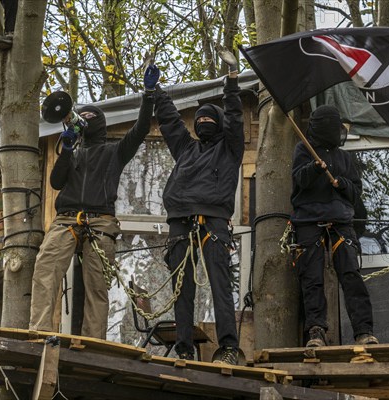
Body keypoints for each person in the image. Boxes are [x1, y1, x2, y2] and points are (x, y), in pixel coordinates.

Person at [28, 65, 161, 339]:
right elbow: (56, 182)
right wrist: (66, 150)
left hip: (100, 222)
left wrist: (149, 95)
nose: (84, 119)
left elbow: (140, 129)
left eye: (91, 116)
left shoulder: (114, 152)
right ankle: (38, 332)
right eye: (82, 115)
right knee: (45, 268)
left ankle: (92, 341)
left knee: (97, 286)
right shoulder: (73, 153)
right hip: (66, 219)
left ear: (99, 123)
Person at [153, 50, 243, 365]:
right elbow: (169, 122)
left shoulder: (230, 148)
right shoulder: (187, 149)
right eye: (199, 118)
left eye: (209, 118)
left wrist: (232, 81)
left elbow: (234, 116)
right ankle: (184, 349)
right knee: (182, 290)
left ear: (217, 124)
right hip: (180, 222)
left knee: (220, 287)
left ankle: (229, 348)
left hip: (214, 224)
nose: (203, 121)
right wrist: (155, 92)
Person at [290, 105, 378, 347]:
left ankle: (364, 331)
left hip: (341, 221)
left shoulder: (344, 157)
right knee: (312, 279)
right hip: (308, 221)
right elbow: (298, 182)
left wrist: (342, 186)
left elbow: (356, 191)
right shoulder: (304, 150)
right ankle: (316, 332)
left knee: (351, 275)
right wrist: (314, 169)